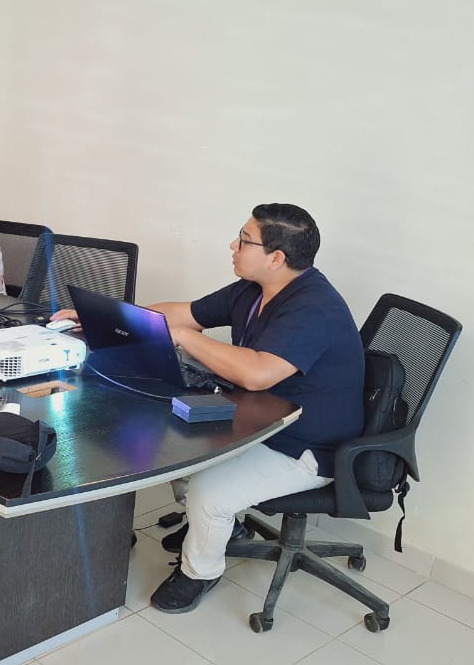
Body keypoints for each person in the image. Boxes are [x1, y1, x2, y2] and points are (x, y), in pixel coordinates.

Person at [55, 203, 364, 613]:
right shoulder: (254, 289)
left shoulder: (314, 308)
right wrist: (108, 318)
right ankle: (224, 528)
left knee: (208, 491)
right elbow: (184, 312)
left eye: (245, 240)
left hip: (307, 443)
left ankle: (199, 572)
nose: (233, 245)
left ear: (276, 258)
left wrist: (185, 337)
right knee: (170, 439)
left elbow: (257, 373)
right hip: (259, 418)